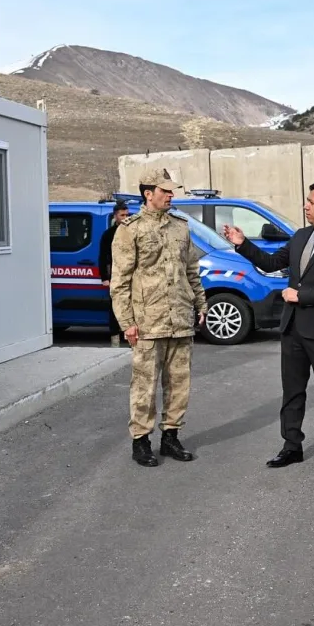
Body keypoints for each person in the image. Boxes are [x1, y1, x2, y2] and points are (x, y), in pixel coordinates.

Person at [223, 182, 314, 474]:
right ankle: (291, 446)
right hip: (293, 328)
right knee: (292, 391)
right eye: (306, 201)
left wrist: (302, 295)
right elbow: (272, 262)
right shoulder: (300, 236)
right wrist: (241, 243)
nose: (305, 206)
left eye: (311, 202)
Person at [110, 168, 208, 467]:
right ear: (148, 193)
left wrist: (201, 303)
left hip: (180, 318)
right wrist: (127, 322)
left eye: (171, 190)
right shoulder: (130, 229)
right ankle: (141, 441)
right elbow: (120, 281)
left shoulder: (181, 227)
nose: (170, 195)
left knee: (179, 383)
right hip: (148, 322)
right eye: (164, 191)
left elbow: (191, 270)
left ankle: (171, 437)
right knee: (145, 385)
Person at [98, 201, 130, 347]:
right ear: (115, 216)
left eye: (127, 215)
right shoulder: (108, 234)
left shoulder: (133, 231)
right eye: (122, 215)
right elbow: (103, 256)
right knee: (114, 308)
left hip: (131, 275)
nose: (125, 218)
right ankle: (115, 339)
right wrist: (104, 277)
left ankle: (131, 337)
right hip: (115, 276)